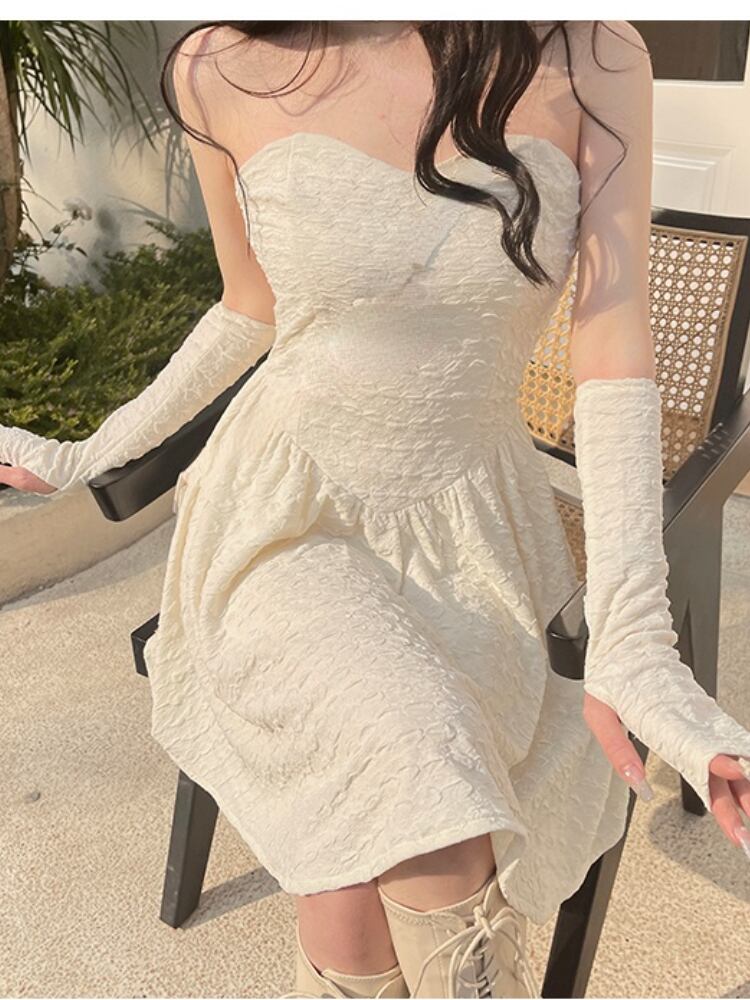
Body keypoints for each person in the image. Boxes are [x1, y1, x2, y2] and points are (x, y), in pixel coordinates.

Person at [3, 20, 750, 999]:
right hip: (282, 517)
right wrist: (92, 452)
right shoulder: (217, 65)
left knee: (356, 878)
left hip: (480, 535)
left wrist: (635, 639)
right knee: (428, 791)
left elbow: (611, 345)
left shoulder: (590, 54)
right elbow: (248, 306)